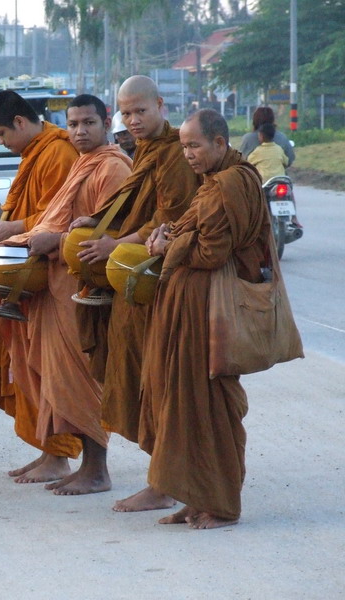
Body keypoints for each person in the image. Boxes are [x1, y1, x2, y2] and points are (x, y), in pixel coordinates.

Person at [69, 76, 200, 511]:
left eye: (140, 111)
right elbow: (132, 203)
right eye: (126, 113)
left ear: (160, 105)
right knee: (137, 382)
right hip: (134, 286)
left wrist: (114, 244)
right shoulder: (144, 151)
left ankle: (165, 485)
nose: (133, 120)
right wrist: (97, 221)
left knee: (157, 384)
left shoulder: (177, 154)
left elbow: (171, 219)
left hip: (161, 286)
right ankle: (161, 480)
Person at [0, 95, 132, 495]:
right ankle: (69, 459)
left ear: (106, 123)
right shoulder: (83, 163)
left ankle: (97, 470)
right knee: (56, 374)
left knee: (83, 378)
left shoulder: (113, 167)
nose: (79, 132)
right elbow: (61, 218)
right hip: (58, 284)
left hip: (85, 289)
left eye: (88, 123)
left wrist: (55, 239)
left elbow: (116, 231)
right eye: (72, 124)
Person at [139, 109, 270, 529]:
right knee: (180, 403)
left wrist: (165, 248)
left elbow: (211, 252)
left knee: (208, 405)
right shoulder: (213, 183)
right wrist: (169, 234)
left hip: (208, 309)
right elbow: (190, 232)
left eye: (195, 146)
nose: (189, 154)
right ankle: (194, 497)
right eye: (184, 147)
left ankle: (221, 503)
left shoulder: (230, 184)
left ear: (219, 143)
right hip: (188, 305)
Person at [0, 89, 82, 483]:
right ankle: (45, 449)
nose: (2, 142)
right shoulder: (34, 153)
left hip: (50, 277)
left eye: (2, 133)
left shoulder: (57, 153)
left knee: (46, 367)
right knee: (25, 366)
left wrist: (14, 227)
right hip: (25, 280)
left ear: (21, 122)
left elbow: (64, 215)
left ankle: (59, 455)